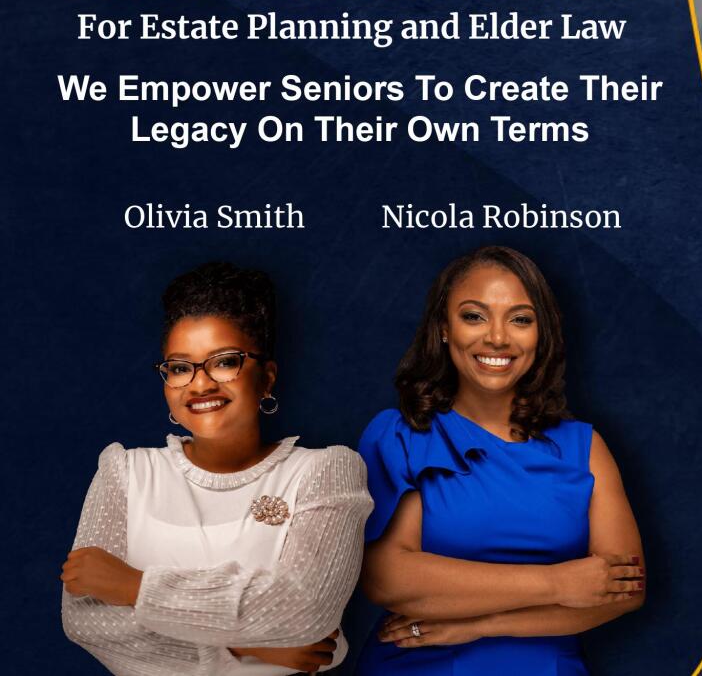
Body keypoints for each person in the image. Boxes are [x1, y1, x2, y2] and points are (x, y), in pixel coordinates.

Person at [61, 262, 372, 674]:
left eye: (225, 362)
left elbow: (304, 611)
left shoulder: (326, 471)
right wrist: (239, 649)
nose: (200, 383)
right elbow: (87, 623)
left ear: (267, 379)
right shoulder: (124, 472)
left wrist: (134, 587)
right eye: (179, 367)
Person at [357, 245, 646, 674]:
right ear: (442, 327)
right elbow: (387, 578)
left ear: (541, 333)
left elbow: (625, 590)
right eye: (474, 316)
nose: (497, 337)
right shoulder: (402, 436)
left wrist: (484, 624)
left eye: (521, 319)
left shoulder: (583, 447)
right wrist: (558, 583)